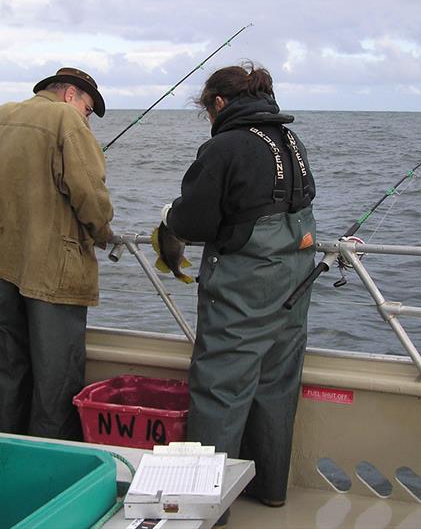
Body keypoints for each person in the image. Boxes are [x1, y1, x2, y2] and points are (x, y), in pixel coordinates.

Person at [161, 62, 316, 515]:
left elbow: (195, 221)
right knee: (276, 383)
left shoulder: (225, 146)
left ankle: (207, 507)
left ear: (220, 103)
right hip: (295, 279)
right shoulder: (290, 140)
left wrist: (171, 218)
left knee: (220, 386)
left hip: (246, 285)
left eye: (207, 110)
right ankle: (269, 488)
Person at [0, 67, 114, 440]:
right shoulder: (66, 118)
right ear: (71, 95)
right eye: (88, 108)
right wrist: (103, 233)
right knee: (56, 377)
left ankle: (4, 457)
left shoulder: (0, 114)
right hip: (51, 269)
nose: (87, 118)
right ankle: (49, 465)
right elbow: (89, 193)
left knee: (4, 370)